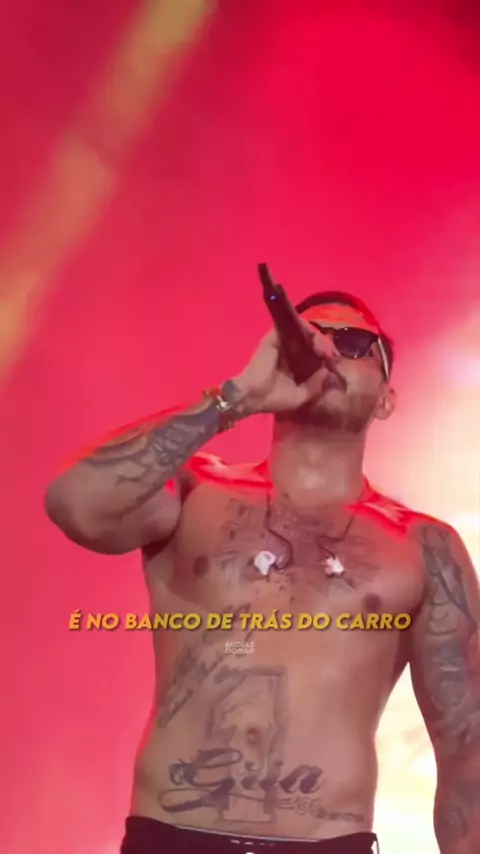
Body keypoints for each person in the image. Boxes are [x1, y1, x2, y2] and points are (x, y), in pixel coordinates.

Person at [45, 291, 480, 854]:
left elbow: (466, 750)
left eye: (353, 343)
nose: (327, 351)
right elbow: (75, 503)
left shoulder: (425, 547)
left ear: (386, 399)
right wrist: (235, 398)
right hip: (173, 838)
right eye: (309, 338)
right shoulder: (196, 492)